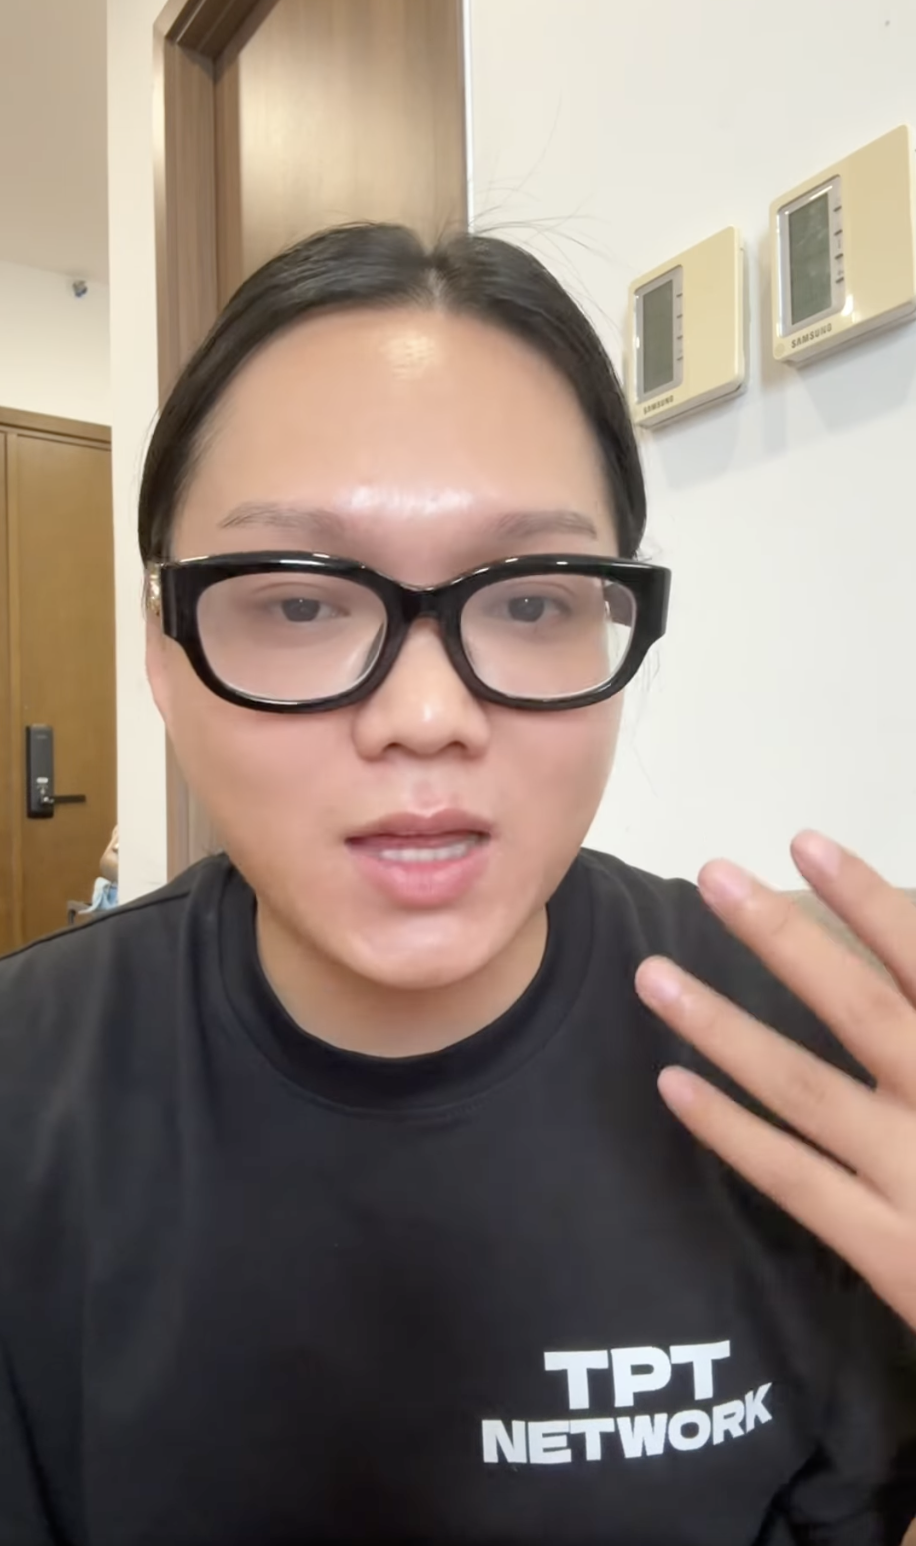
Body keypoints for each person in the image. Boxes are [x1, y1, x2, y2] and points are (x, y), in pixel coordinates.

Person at [0, 223, 913, 1546]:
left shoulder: (821, 1074)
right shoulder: (26, 1087)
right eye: (300, 601)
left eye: (531, 600)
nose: (426, 717)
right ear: (164, 650)